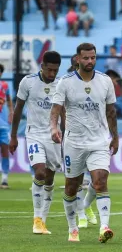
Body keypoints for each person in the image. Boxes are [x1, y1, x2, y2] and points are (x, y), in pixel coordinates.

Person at [50, 43, 118, 243]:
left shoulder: (105, 81)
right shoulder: (65, 82)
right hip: (74, 143)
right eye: (86, 58)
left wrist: (115, 136)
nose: (90, 61)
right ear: (77, 59)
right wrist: (54, 128)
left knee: (100, 182)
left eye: (93, 58)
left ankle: (104, 226)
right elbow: (55, 109)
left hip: (99, 141)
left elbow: (111, 112)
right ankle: (73, 228)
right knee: (71, 187)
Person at [8, 51, 61, 235]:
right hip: (34, 134)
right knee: (40, 172)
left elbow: (64, 112)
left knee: (50, 178)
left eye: (55, 70)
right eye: (49, 70)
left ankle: (43, 221)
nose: (52, 74)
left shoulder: (61, 85)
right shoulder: (28, 82)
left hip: (55, 137)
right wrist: (14, 136)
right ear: (42, 66)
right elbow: (18, 108)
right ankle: (37, 219)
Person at [0, 64, 13, 189]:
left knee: (5, 151)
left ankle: (4, 179)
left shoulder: (4, 86)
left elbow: (9, 100)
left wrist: (11, 112)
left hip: (3, 124)